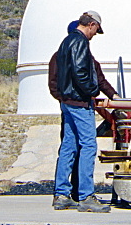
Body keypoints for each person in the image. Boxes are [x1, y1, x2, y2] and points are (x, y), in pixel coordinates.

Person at [49, 20, 118, 206]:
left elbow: (98, 77)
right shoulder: (79, 44)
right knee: (88, 146)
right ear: (91, 25)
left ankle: (62, 194)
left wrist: (114, 95)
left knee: (68, 146)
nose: (94, 35)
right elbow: (81, 75)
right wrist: (90, 91)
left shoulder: (63, 48)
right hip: (78, 103)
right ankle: (86, 196)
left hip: (68, 103)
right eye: (95, 30)